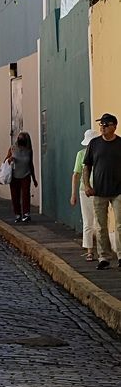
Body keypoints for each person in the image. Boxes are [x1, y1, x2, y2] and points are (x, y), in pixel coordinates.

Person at [83, 113, 121, 270]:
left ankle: (120, 255)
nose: (102, 128)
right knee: (100, 225)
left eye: (105, 125)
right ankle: (103, 257)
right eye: (101, 125)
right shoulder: (94, 143)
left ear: (114, 126)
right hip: (99, 190)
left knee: (120, 225)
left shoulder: (120, 143)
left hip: (119, 190)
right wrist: (86, 185)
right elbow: (87, 166)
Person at [71, 127, 99, 262]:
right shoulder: (81, 154)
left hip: (100, 190)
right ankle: (89, 250)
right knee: (88, 222)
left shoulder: (100, 154)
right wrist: (73, 194)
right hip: (85, 191)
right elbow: (76, 175)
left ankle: (101, 250)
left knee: (100, 222)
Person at [6, 131, 37, 223]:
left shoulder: (29, 150)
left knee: (26, 194)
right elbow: (6, 160)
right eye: (19, 138)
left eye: (22, 139)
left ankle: (26, 214)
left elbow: (31, 164)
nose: (20, 140)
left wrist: (34, 178)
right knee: (15, 196)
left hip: (26, 175)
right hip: (14, 176)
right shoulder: (13, 149)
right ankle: (17, 214)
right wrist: (10, 159)